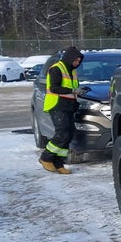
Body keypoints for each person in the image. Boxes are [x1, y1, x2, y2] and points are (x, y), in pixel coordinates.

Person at [39, 46, 84, 175]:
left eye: (79, 61)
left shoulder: (72, 72)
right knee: (62, 133)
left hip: (68, 106)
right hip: (57, 105)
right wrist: (73, 91)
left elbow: (72, 89)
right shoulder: (56, 69)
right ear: (69, 58)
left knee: (69, 134)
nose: (77, 63)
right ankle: (46, 158)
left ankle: (58, 163)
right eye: (75, 60)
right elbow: (54, 88)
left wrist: (78, 93)